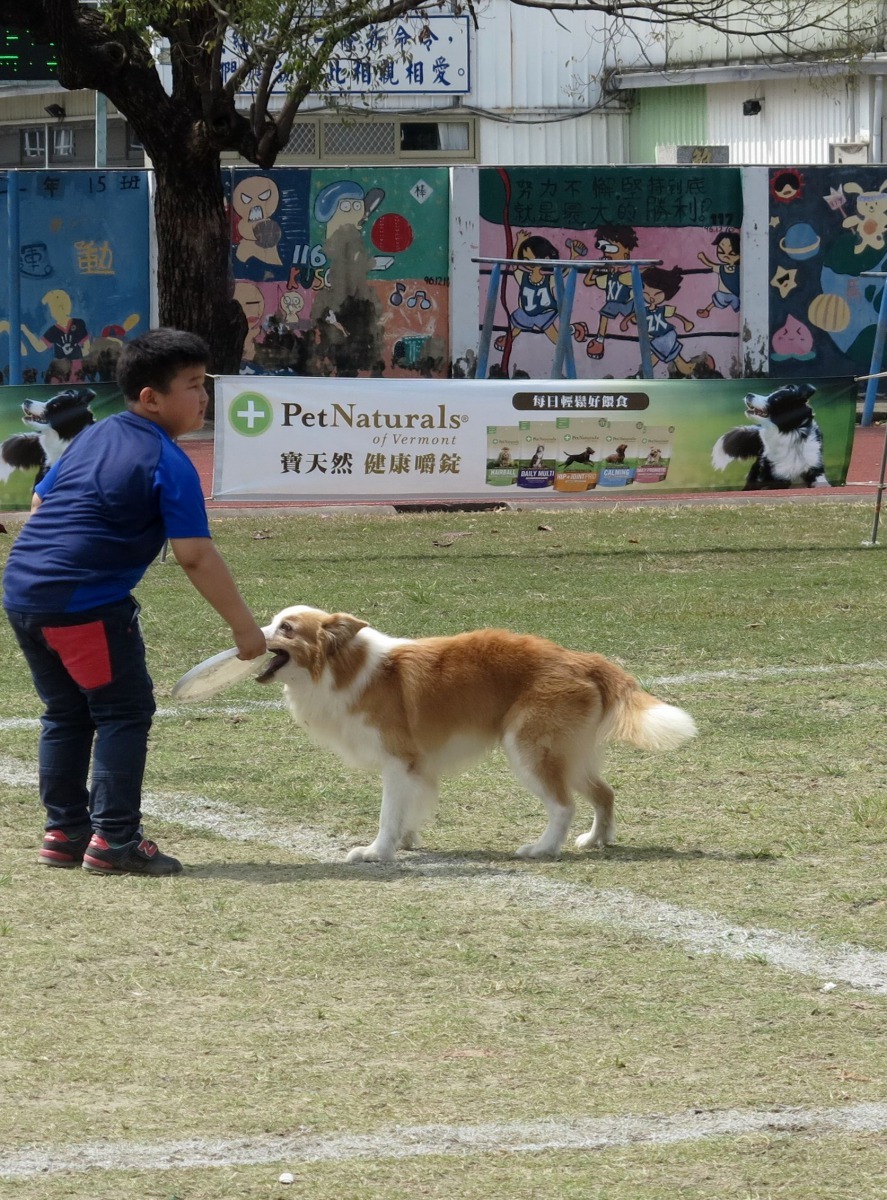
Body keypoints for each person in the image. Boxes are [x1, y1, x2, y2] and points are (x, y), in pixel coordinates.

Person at [2, 328, 267, 876]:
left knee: (67, 713)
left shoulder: (93, 438)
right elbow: (195, 556)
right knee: (124, 711)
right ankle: (115, 840)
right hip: (84, 605)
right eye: (193, 386)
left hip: (23, 590)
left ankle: (65, 832)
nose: (204, 398)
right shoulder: (167, 461)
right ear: (151, 397)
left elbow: (39, 497)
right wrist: (246, 630)